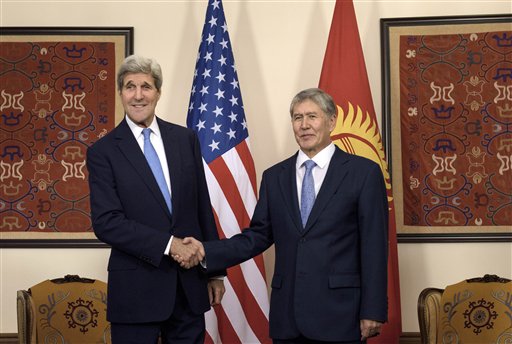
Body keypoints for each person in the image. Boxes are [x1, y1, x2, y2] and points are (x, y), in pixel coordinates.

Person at [179, 88, 388, 343]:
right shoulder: (275, 176)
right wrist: (205, 251)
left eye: (312, 116)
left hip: (341, 314)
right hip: (287, 318)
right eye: (297, 118)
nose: (304, 125)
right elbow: (256, 236)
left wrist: (373, 309)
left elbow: (374, 246)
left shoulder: (363, 173)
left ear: (331, 121)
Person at [86, 55, 226, 344]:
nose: (138, 95)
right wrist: (169, 244)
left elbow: (201, 208)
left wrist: (214, 272)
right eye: (130, 87)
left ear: (158, 92)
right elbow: (106, 223)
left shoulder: (185, 139)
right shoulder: (103, 152)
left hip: (188, 289)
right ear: (121, 93)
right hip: (136, 294)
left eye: (146, 86)